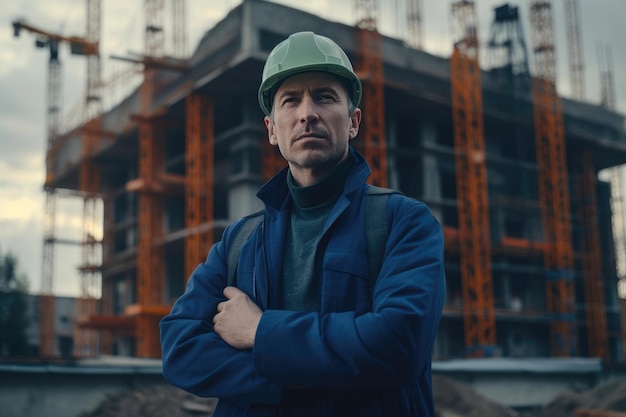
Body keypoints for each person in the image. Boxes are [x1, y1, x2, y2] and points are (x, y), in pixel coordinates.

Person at [160, 31, 446, 417]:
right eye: (290, 100)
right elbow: (180, 347)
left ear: (353, 121)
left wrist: (260, 332)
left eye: (324, 96)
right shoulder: (240, 239)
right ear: (272, 130)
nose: (307, 112)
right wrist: (293, 377)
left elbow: (398, 344)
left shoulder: (403, 222)